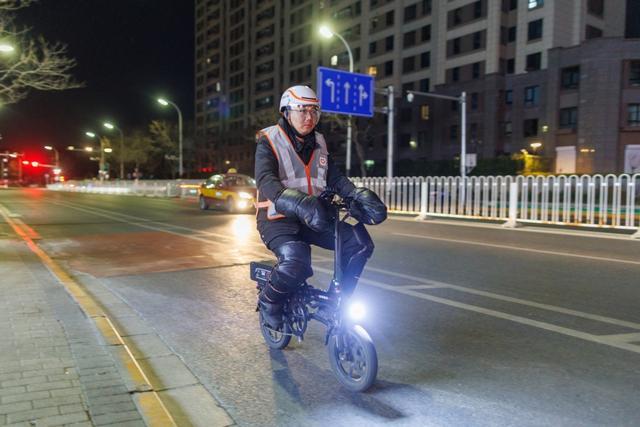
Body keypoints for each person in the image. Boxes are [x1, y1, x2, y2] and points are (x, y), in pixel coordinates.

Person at [254, 85, 387, 329]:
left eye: (314, 111)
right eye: (302, 110)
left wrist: (357, 194)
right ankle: (269, 301)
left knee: (359, 244)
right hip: (278, 220)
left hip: (314, 216)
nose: (309, 117)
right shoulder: (269, 140)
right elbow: (266, 181)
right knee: (297, 262)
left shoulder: (319, 143)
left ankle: (337, 302)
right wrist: (298, 201)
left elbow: (334, 178)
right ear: (286, 112)